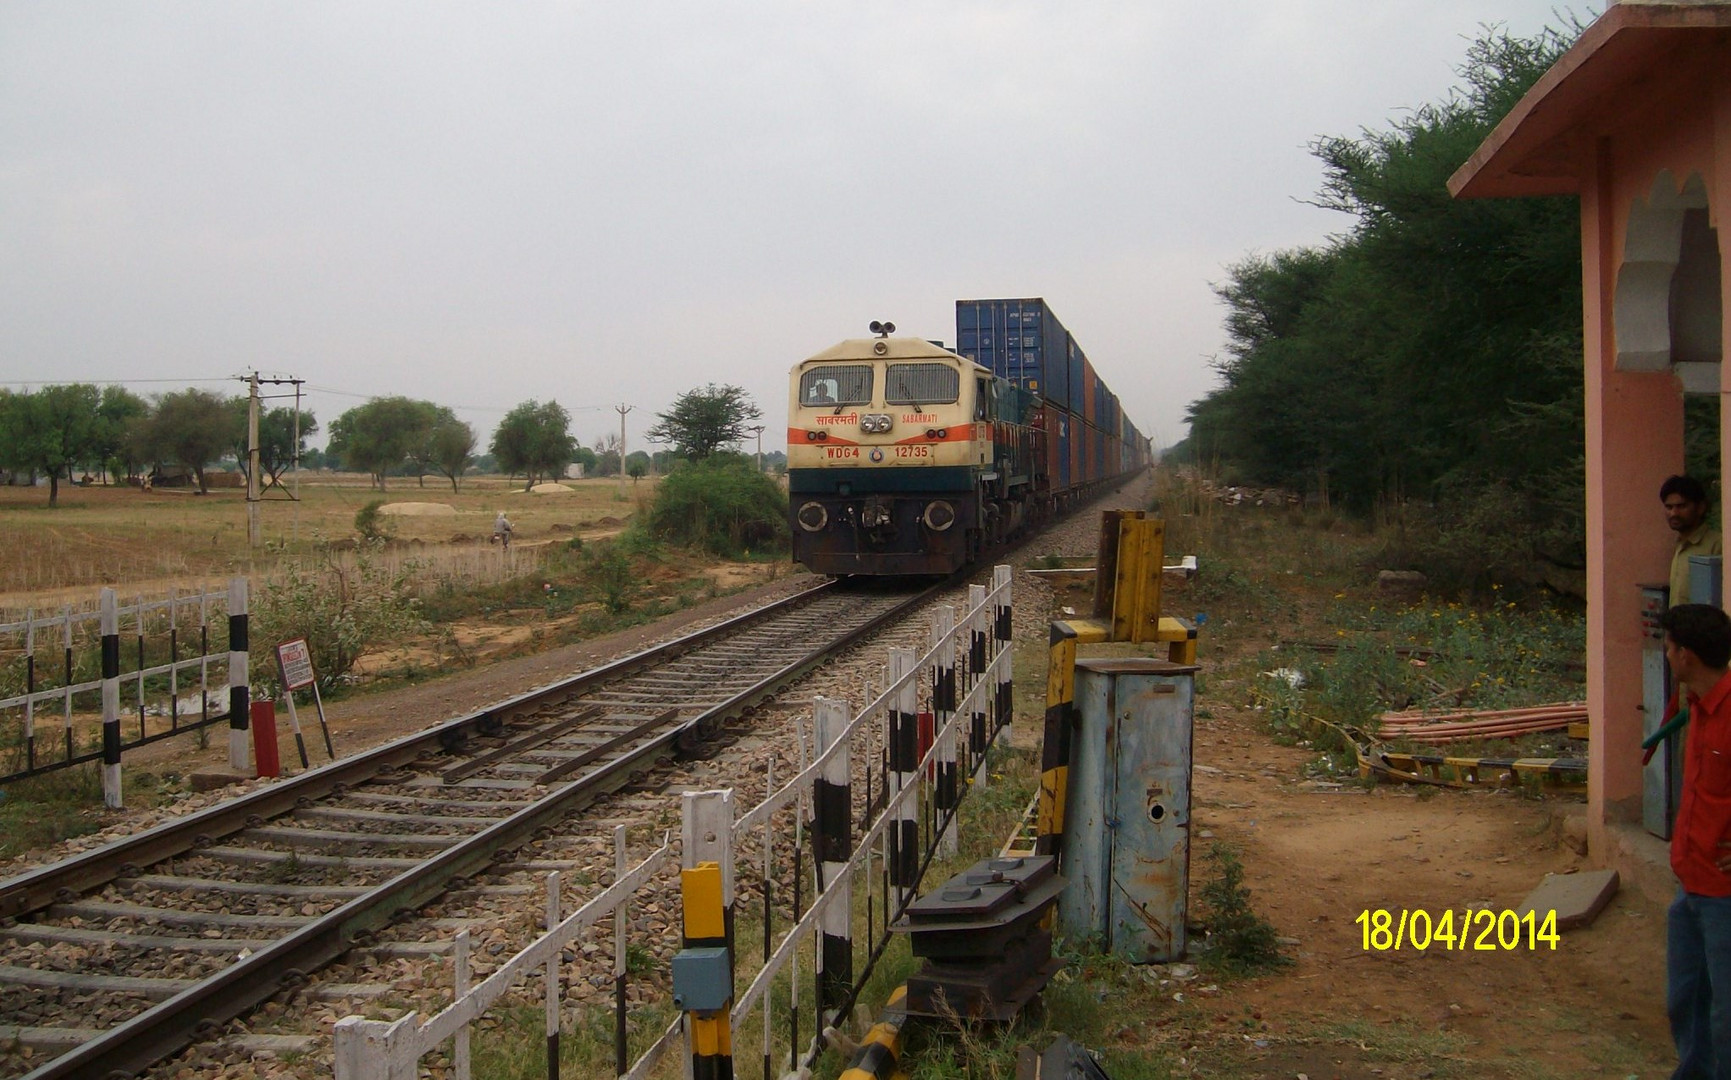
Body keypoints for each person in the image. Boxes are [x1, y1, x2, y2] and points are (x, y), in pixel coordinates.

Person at [1660, 603, 1731, 1078]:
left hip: (1725, 896)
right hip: (1691, 883)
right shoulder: (1696, 708)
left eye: (1668, 648)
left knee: (1726, 1016)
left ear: (1686, 655)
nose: (1664, 656)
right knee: (1685, 1000)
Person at [1664, 475, 1722, 607]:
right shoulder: (1679, 545)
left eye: (1682, 506)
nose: (1674, 513)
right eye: (1669, 507)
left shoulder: (1718, 545)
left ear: (1701, 507)